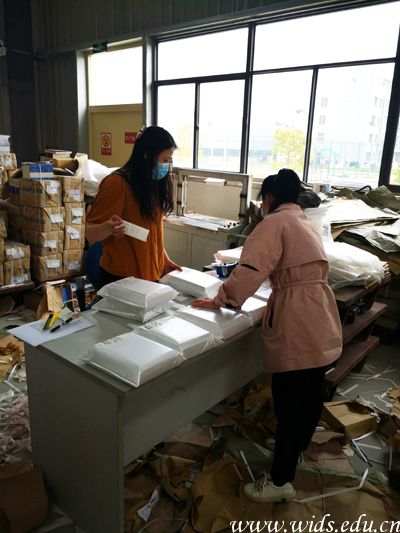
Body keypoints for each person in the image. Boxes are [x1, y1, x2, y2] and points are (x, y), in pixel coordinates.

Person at [192, 168, 342, 503]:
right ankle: (296, 447)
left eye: (262, 202)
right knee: (310, 394)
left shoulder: (274, 222)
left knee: (290, 401)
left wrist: (222, 299)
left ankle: (280, 481)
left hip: (299, 318)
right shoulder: (303, 220)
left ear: (270, 198)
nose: (261, 208)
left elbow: (250, 269)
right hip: (320, 311)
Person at [85, 126, 181, 289]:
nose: (166, 166)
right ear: (147, 155)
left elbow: (151, 233)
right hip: (122, 281)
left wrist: (163, 259)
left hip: (150, 277)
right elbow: (89, 232)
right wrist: (107, 227)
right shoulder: (116, 184)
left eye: (169, 161)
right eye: (164, 160)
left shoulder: (152, 184)